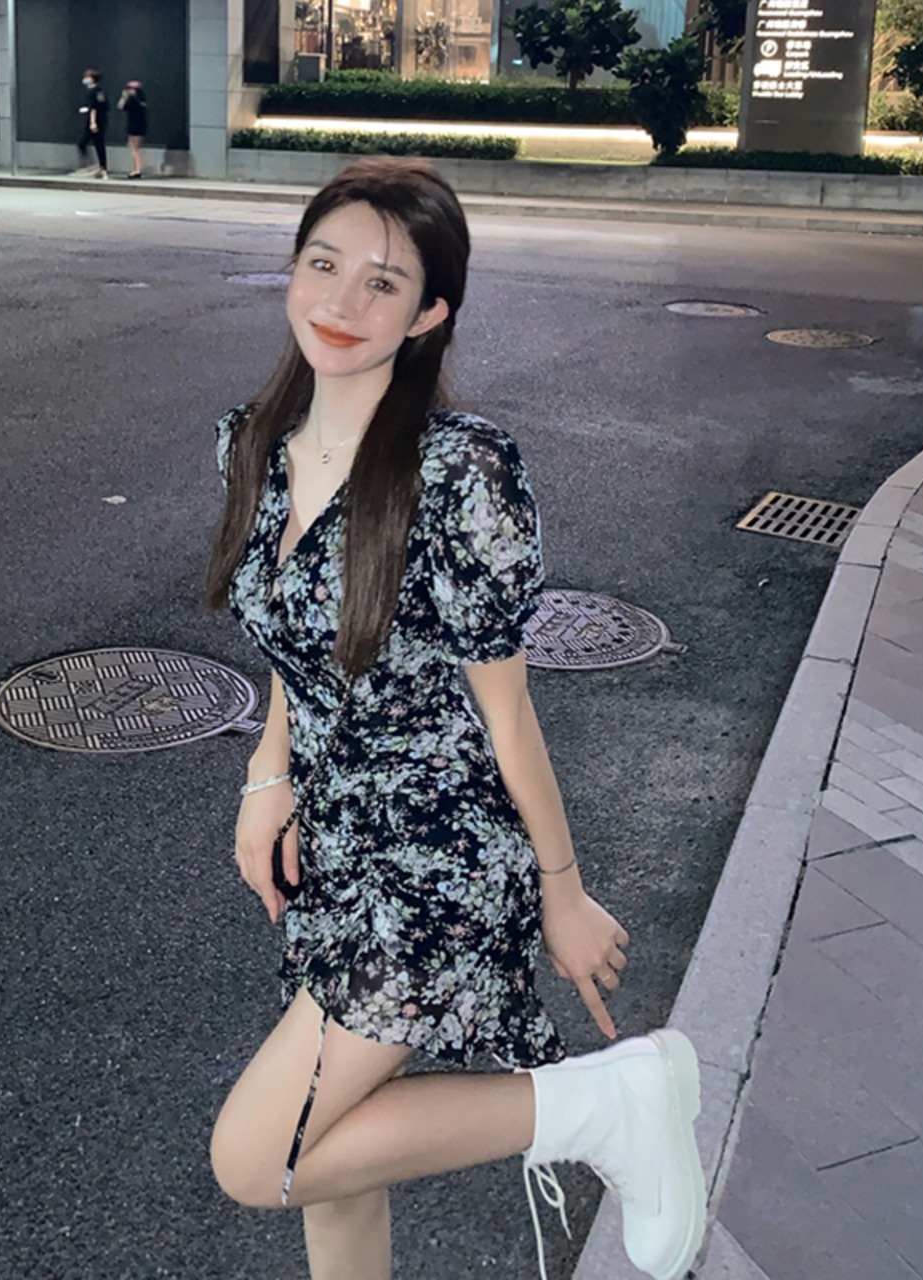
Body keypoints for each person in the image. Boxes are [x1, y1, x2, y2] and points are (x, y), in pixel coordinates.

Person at [204, 157, 706, 1280]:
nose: (341, 302)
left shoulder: (459, 472)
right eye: (322, 264)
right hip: (336, 847)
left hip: (439, 857)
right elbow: (299, 639)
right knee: (335, 1171)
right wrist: (267, 774)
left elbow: (508, 714)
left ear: (428, 313)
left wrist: (561, 889)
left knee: (258, 1156)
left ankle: (600, 1104)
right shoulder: (251, 443)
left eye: (381, 283)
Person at [77, 69, 109, 179]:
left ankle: (92, 165)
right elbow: (105, 106)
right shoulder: (100, 91)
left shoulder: (92, 92)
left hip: (94, 120)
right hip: (102, 120)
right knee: (99, 144)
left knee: (83, 143)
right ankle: (103, 169)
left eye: (87, 77)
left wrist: (93, 122)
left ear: (92, 79)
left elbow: (93, 108)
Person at [117, 80, 148, 178]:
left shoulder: (132, 101)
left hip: (134, 127)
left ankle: (137, 170)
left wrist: (124, 97)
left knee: (134, 149)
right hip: (142, 127)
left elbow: (120, 106)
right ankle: (137, 168)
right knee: (137, 148)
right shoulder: (142, 101)